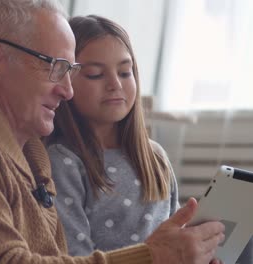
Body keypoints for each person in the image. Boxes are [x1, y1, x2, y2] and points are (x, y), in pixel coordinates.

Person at [0, 0, 225, 263]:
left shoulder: (30, 155)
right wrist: (151, 257)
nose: (68, 90)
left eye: (72, 70)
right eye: (56, 68)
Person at [45, 15, 179, 256]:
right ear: (65, 80)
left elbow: (175, 230)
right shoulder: (62, 161)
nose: (115, 84)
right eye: (96, 74)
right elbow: (75, 255)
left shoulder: (156, 156)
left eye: (125, 72)